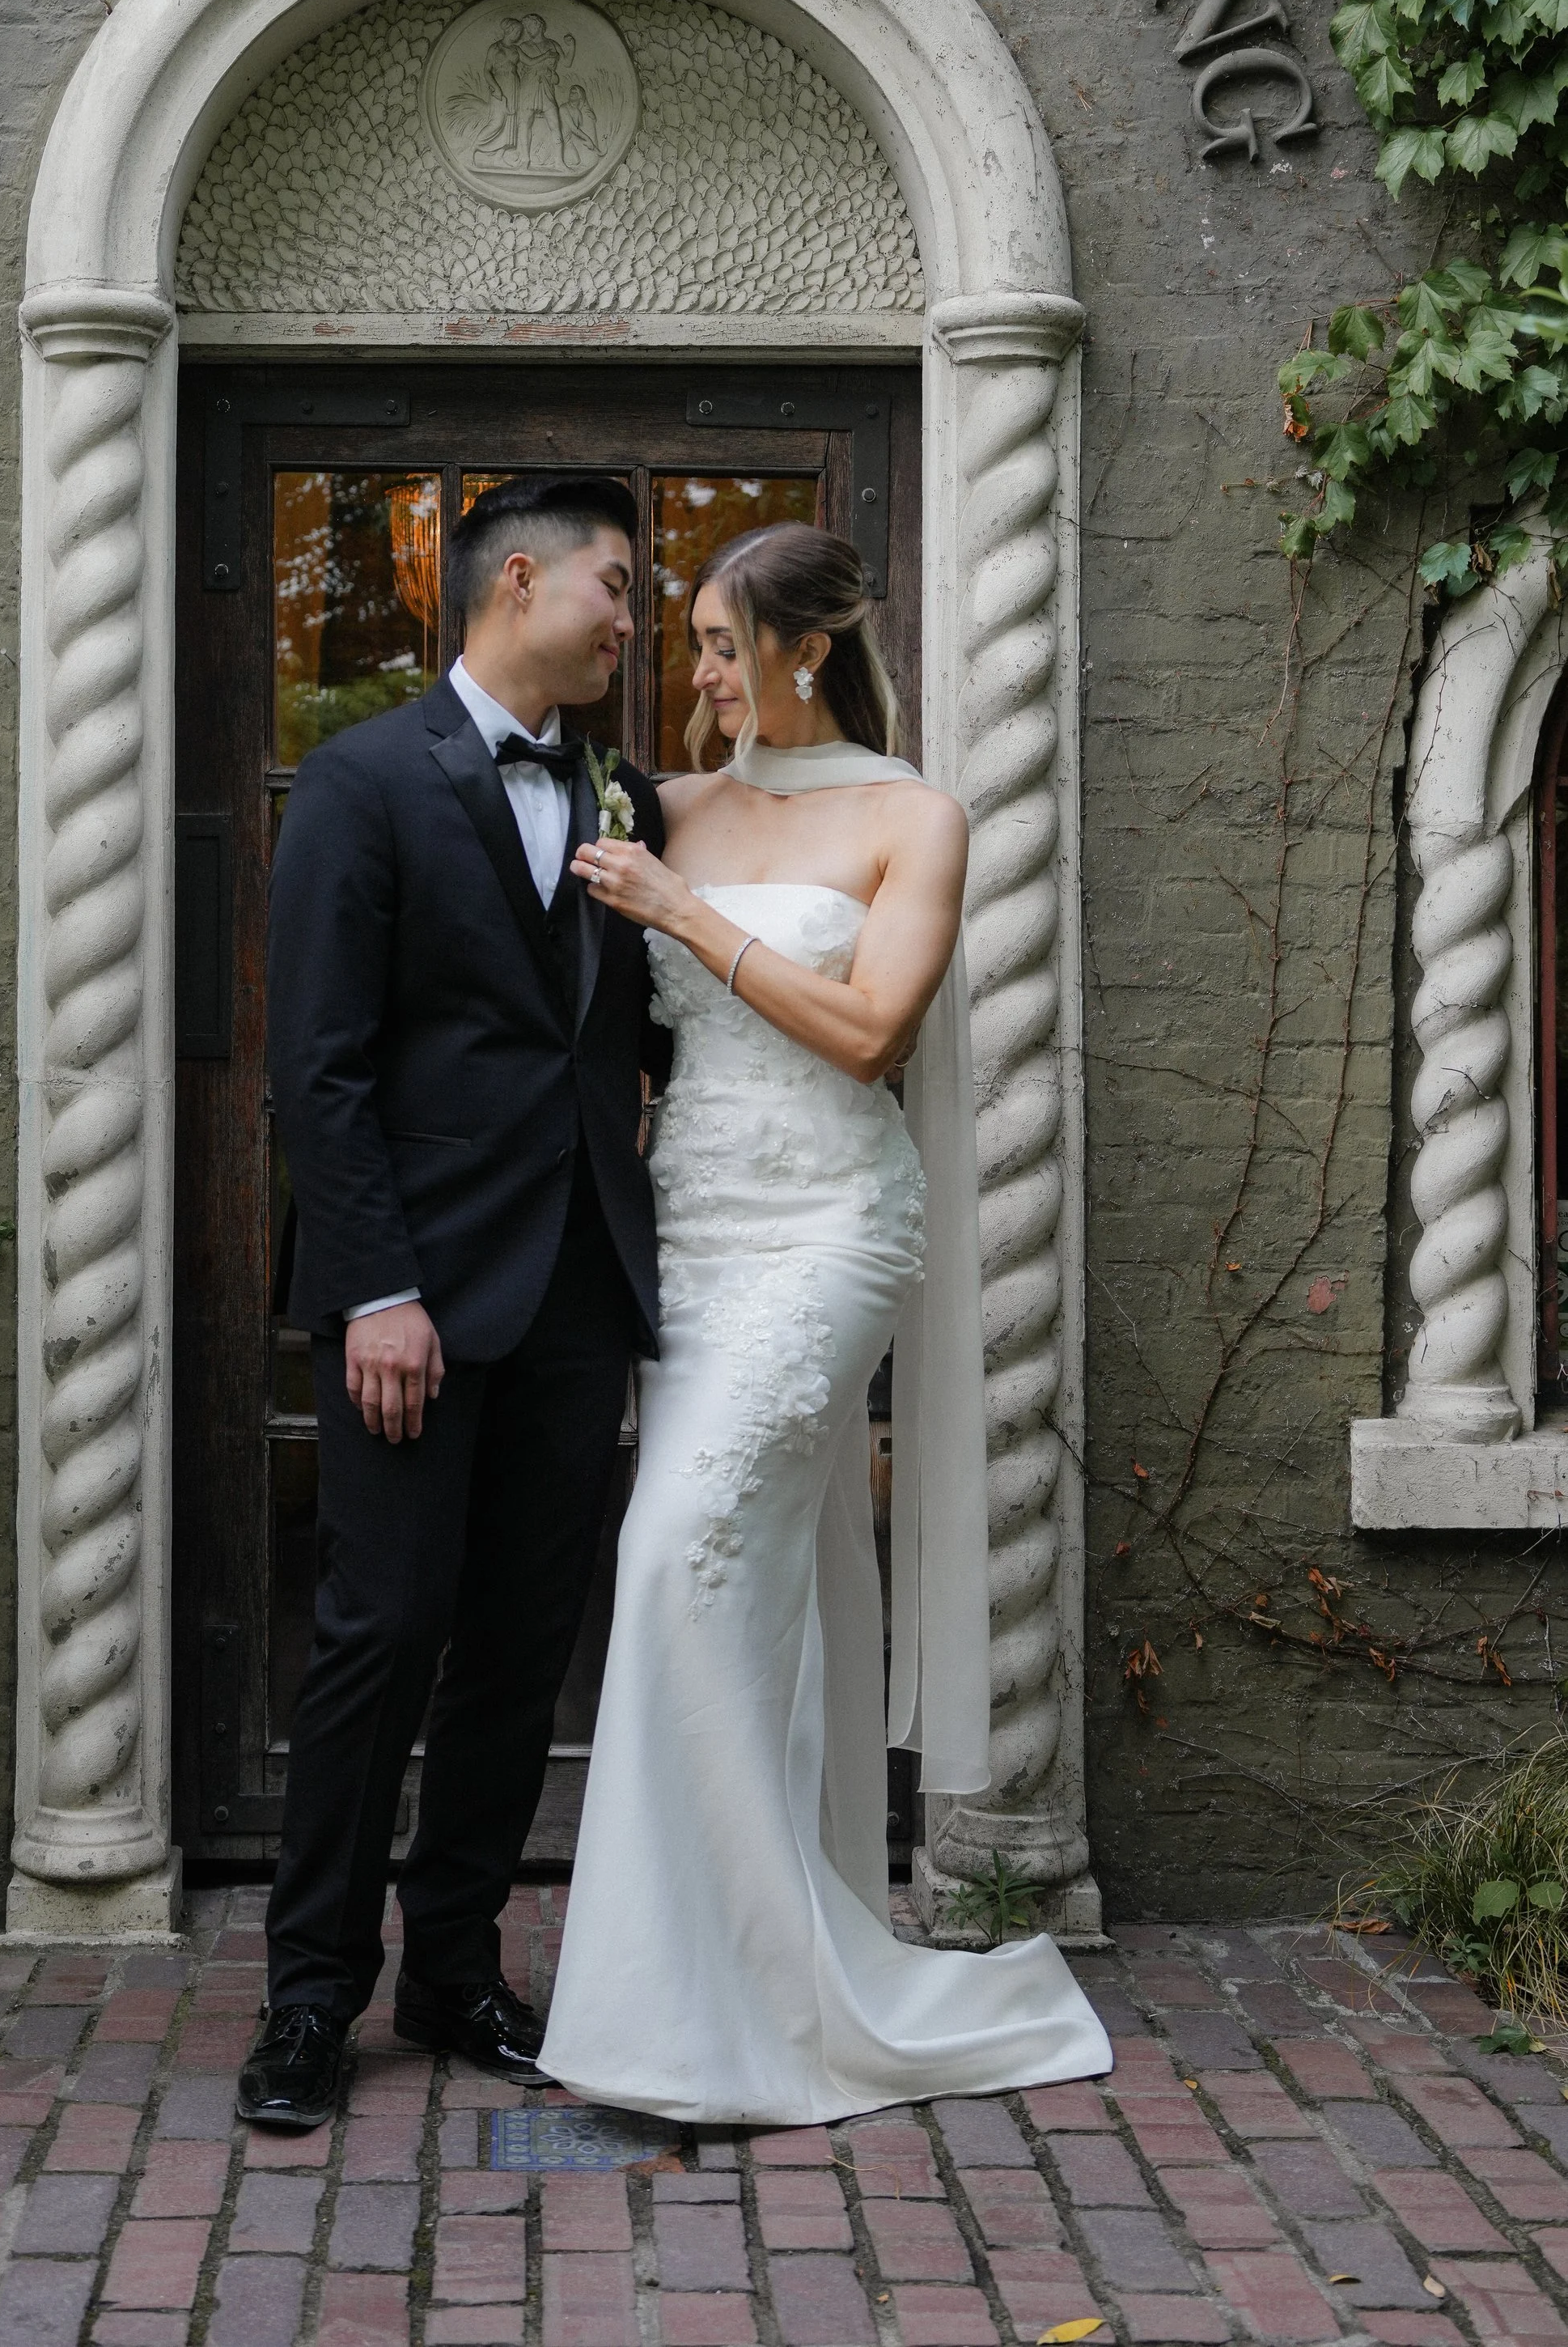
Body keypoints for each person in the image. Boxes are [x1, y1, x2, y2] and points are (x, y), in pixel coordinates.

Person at [539, 521, 1111, 2122]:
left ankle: (733, 1998)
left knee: (674, 1560)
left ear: (802, 647)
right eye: (696, 649)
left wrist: (684, 916)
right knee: (752, 1589)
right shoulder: (663, 805)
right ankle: (725, 1975)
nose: (699, 675)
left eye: (722, 645)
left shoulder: (911, 816)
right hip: (691, 1239)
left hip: (829, 1232)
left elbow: (866, 1032)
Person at [238, 474, 670, 2133]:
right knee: (375, 1635)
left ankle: (456, 1968)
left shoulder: (616, 789)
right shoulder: (359, 783)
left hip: (574, 1289)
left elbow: (618, 1031)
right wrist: (377, 1290)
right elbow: (319, 1067)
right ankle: (307, 2001)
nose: (628, 623)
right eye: (614, 589)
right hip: (414, 1297)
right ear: (515, 582)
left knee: (512, 1649)